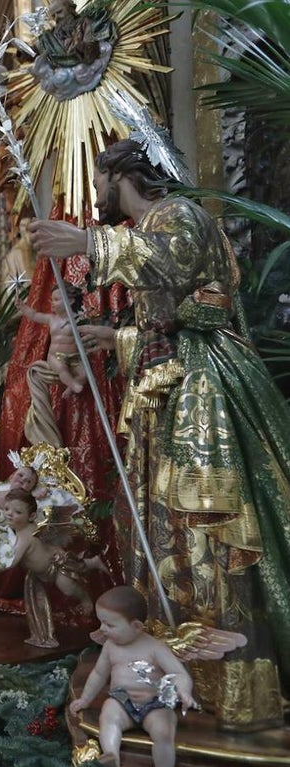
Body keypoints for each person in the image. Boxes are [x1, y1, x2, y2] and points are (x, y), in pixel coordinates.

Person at [29, 138, 290, 731]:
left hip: (204, 395)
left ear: (120, 174)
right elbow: (172, 318)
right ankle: (181, 667)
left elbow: (170, 269)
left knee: (202, 528)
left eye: (97, 177)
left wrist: (89, 243)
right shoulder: (156, 225)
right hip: (175, 388)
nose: (93, 192)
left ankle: (237, 684)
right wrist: (112, 338)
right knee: (167, 531)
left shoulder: (179, 215)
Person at [69, 586, 196, 767]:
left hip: (154, 703)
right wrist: (85, 699)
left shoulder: (156, 648)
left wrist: (184, 692)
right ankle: (111, 755)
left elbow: (179, 674)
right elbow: (98, 674)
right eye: (101, 622)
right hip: (122, 699)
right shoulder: (110, 647)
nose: (102, 629)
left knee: (164, 730)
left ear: (136, 626)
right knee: (109, 715)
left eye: (110, 625)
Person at [0, 489, 106, 647]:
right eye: (6, 509)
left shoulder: (24, 537)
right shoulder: (19, 530)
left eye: (17, 512)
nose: (9, 514)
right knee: (73, 572)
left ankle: (86, 596)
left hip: (54, 565)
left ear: (32, 516)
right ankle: (92, 563)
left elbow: (12, 561)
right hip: (41, 572)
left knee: (67, 586)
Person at [18, 286, 87, 394]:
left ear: (71, 301)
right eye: (52, 299)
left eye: (56, 299)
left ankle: (71, 386)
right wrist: (22, 307)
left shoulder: (78, 319)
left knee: (84, 373)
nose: (52, 302)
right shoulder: (51, 319)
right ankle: (73, 384)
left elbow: (88, 329)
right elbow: (34, 315)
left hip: (74, 357)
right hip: (55, 356)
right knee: (62, 368)